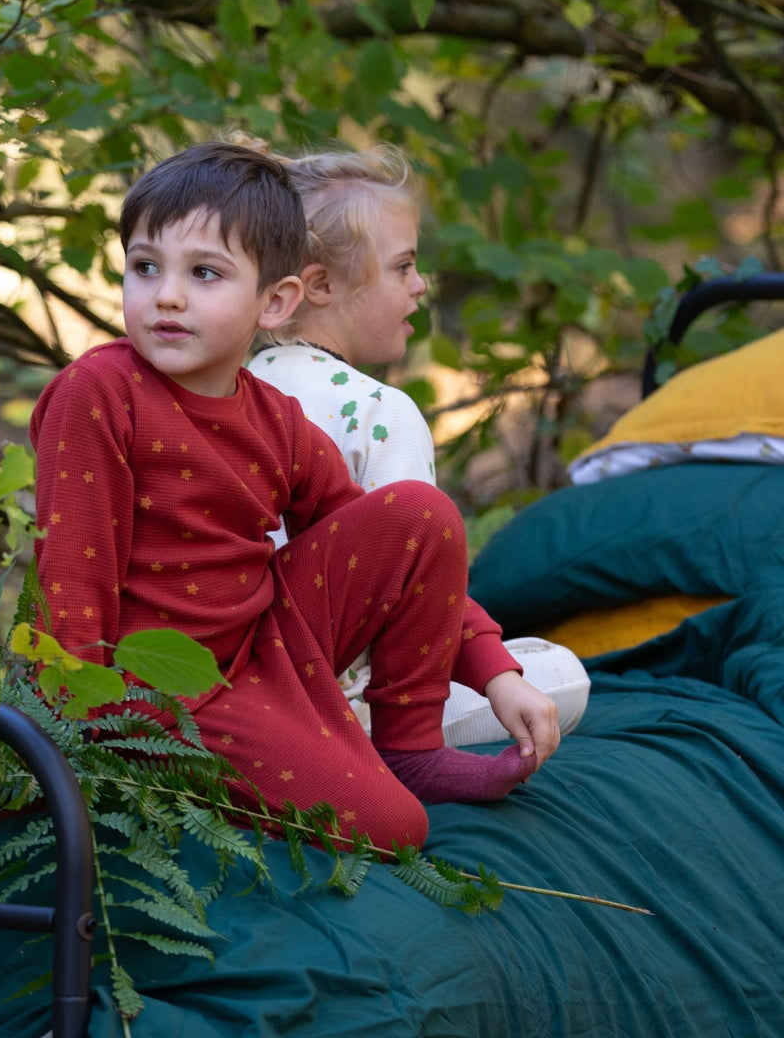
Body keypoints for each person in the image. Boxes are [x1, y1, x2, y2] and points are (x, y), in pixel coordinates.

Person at [28, 141, 560, 851]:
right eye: (145, 267)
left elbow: (396, 552)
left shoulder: (274, 417)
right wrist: (73, 752)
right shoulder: (100, 392)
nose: (168, 296)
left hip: (265, 652)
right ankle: (203, 765)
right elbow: (75, 581)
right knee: (395, 829)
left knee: (421, 515)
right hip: (158, 695)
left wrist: (495, 672)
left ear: (275, 301)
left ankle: (410, 746)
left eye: (206, 273)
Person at [245, 141, 590, 746]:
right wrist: (498, 675)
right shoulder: (381, 411)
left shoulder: (234, 387)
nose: (422, 284)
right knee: (559, 672)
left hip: (231, 678)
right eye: (403, 267)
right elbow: (417, 596)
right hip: (340, 703)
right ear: (320, 285)